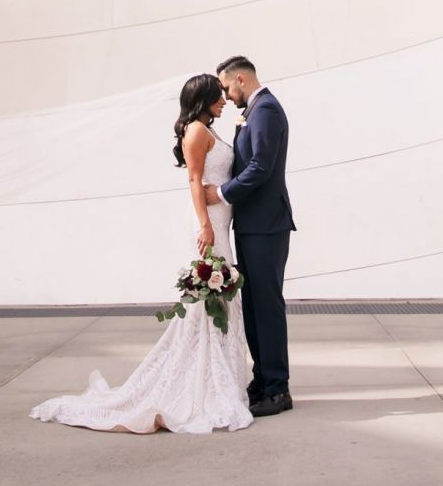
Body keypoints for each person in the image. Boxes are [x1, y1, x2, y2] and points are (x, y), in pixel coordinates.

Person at [29, 73, 253, 433]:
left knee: (219, 301)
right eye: (218, 95)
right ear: (204, 97)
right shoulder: (196, 130)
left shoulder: (206, 128)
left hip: (219, 220)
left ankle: (216, 378)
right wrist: (205, 225)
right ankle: (202, 384)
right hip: (209, 222)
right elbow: (194, 180)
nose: (224, 100)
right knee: (212, 300)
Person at [204, 55, 296, 417]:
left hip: (266, 225)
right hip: (252, 225)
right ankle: (263, 381)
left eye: (227, 87)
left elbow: (261, 166)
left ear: (240, 79)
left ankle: (278, 388)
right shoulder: (255, 110)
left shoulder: (267, 110)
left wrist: (223, 193)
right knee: (255, 308)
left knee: (267, 307)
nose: (226, 97)